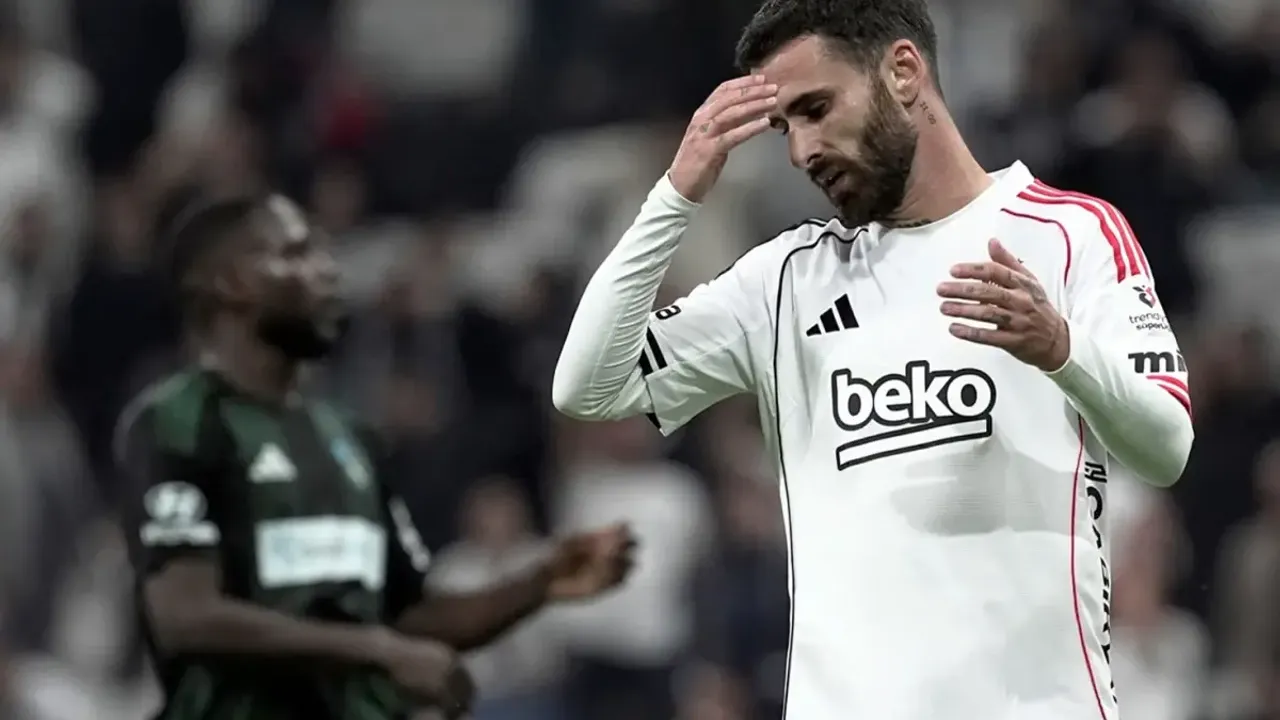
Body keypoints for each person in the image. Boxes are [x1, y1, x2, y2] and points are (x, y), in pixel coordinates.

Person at [550, 1, 1194, 718]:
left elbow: (1167, 448)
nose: (801, 151)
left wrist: (1062, 352)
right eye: (785, 126)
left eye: (816, 109)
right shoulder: (786, 283)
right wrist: (675, 196)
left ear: (903, 72)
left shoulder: (1069, 233)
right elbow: (587, 387)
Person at [115, 194, 636, 720]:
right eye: (295, 254)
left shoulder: (346, 436)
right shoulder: (181, 422)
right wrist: (379, 651)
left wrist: (540, 582)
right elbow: (185, 616)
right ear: (230, 283)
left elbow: (411, 617)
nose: (326, 270)